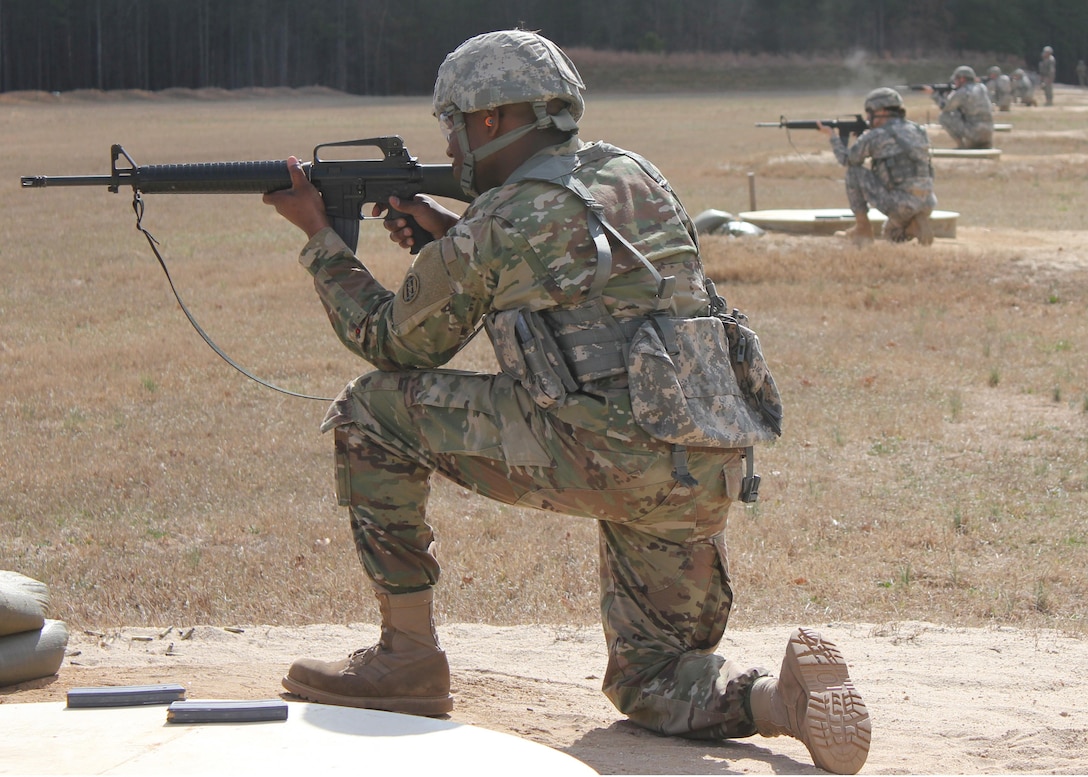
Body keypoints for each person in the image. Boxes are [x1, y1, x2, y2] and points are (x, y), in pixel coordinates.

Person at [263, 28, 871, 776]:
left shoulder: (504, 220)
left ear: (488, 121)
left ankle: (407, 661)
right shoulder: (633, 173)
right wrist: (452, 234)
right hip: (697, 459)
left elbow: (391, 341)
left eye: (451, 124)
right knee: (647, 676)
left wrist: (320, 237)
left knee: (370, 411)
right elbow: (590, 290)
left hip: (602, 454)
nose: (449, 144)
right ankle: (779, 700)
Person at [819, 87, 936, 246]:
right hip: (927, 203)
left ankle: (862, 228)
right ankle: (914, 226)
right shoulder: (918, 130)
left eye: (869, 112)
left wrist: (832, 137)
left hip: (900, 204)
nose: (868, 117)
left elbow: (848, 160)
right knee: (891, 235)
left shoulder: (876, 135)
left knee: (854, 172)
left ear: (880, 110)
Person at [926, 66, 994, 149]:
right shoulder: (982, 88)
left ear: (962, 79)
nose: (955, 82)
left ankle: (962, 145)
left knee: (944, 116)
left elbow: (945, 107)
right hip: (988, 133)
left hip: (974, 133)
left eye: (956, 79)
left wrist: (934, 94)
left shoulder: (962, 92)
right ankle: (982, 143)